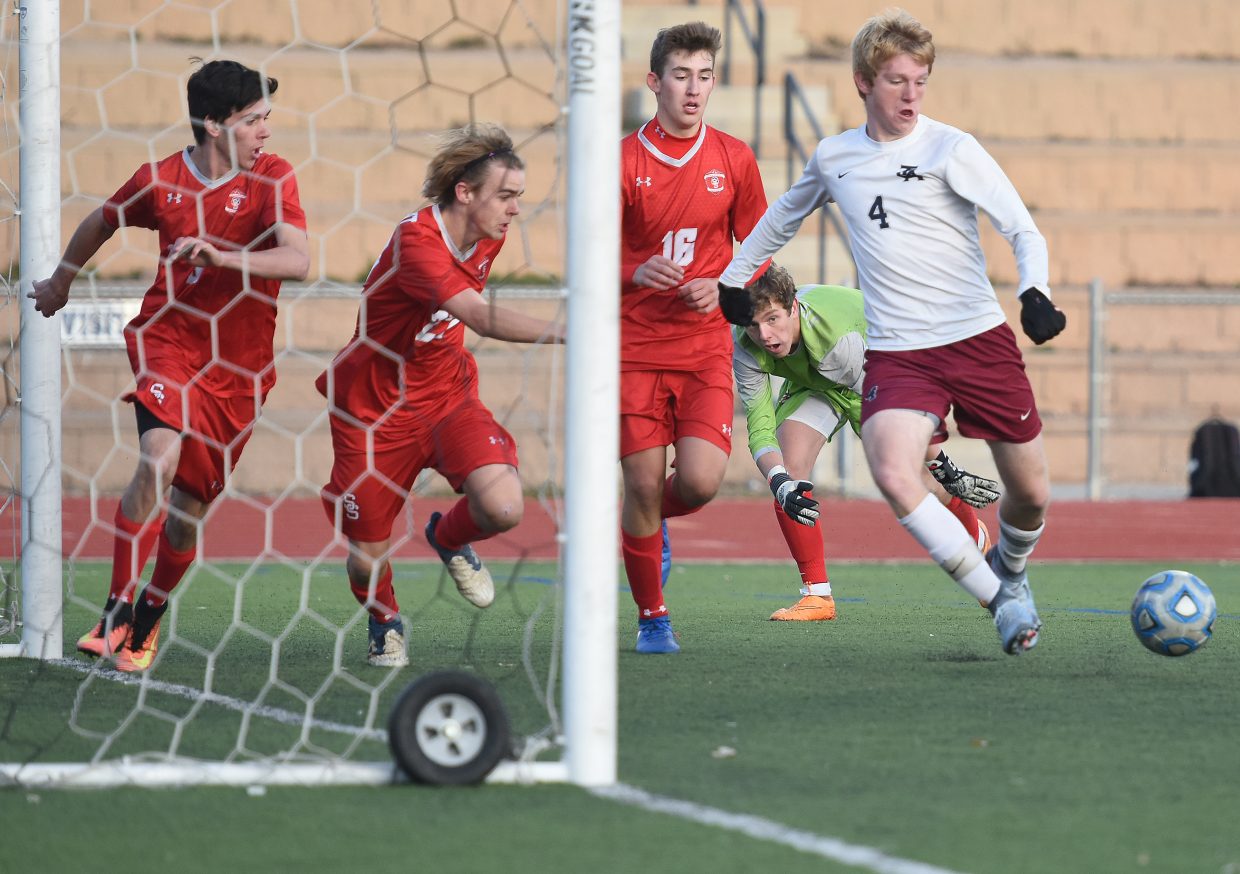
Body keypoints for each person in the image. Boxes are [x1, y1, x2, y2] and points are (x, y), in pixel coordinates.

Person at [719, 9, 1066, 654]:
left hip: (976, 338)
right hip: (899, 350)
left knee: (1031, 495)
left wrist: (1033, 290)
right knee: (891, 468)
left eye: (920, 81)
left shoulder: (951, 147)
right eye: (897, 81)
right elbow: (778, 221)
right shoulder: (834, 158)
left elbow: (1021, 226)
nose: (911, 96)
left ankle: (1010, 569)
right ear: (862, 83)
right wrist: (735, 280)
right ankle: (1001, 603)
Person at [30, 60, 309, 672]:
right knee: (158, 459)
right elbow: (101, 221)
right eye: (252, 120)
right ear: (212, 123)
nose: (266, 130)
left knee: (184, 519)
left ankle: (147, 620)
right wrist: (62, 281)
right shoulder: (159, 182)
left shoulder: (274, 178)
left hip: (239, 373)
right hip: (170, 342)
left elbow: (297, 259)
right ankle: (114, 612)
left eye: (266, 118)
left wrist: (222, 254)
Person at [317, 124, 564, 667]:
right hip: (374, 412)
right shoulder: (417, 243)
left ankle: (448, 537)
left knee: (503, 506)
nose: (514, 210)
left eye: (519, 197)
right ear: (465, 192)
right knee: (365, 558)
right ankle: (384, 621)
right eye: (506, 196)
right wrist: (569, 328)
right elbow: (476, 314)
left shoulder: (489, 235)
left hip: (447, 395)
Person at [727, 264, 1000, 620]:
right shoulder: (745, 343)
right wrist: (777, 481)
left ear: (793, 308)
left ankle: (978, 551)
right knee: (790, 475)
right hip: (816, 382)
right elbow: (760, 426)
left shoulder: (841, 340)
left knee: (926, 485)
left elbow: (898, 400)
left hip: (877, 374)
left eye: (773, 319)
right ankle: (817, 596)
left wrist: (939, 461)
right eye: (754, 325)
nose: (764, 335)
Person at [619, 22, 769, 654]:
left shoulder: (733, 157)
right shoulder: (622, 161)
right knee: (643, 484)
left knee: (702, 482)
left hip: (704, 344)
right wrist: (631, 269)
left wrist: (724, 285)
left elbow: (760, 247)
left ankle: (645, 528)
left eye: (704, 76)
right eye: (681, 75)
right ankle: (654, 617)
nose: (693, 89)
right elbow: (588, 252)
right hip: (633, 348)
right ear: (655, 81)